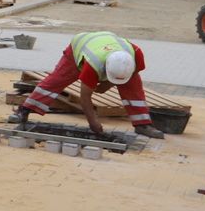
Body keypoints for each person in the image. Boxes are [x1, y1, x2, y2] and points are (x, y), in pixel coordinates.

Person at [9, 31, 166, 139]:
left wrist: (107, 85)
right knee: (56, 81)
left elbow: (126, 74)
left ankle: (143, 124)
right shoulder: (93, 64)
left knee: (134, 88)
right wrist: (93, 122)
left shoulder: (135, 55)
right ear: (105, 68)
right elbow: (85, 98)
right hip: (79, 47)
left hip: (106, 43)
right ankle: (24, 110)